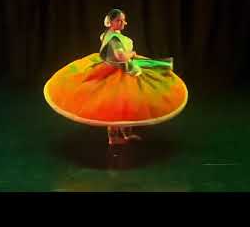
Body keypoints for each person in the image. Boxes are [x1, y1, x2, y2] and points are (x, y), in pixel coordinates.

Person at [43, 8, 188, 145]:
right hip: (114, 69)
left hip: (114, 65)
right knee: (116, 101)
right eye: (119, 20)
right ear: (111, 22)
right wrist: (131, 54)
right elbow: (120, 56)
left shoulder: (108, 34)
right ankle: (114, 137)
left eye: (123, 20)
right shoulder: (114, 38)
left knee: (124, 101)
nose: (123, 23)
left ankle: (124, 133)